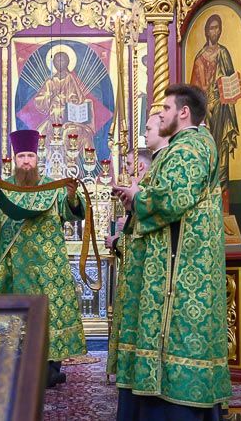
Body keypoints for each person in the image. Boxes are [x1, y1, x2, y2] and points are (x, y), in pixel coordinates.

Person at [113, 84, 230, 419]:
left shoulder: (188, 148)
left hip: (179, 269)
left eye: (165, 108)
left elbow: (172, 198)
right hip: (180, 258)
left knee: (176, 341)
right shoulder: (188, 145)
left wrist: (138, 196)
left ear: (184, 112)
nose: (160, 114)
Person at [0, 129, 86, 388]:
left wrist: (71, 196)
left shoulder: (53, 189)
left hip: (47, 269)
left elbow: (73, 214)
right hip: (13, 269)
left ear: (38, 158)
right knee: (16, 317)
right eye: (22, 156)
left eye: (30, 156)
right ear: (15, 159)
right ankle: (13, 365)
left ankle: (50, 368)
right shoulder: (2, 189)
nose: (26, 161)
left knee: (49, 316)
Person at [105, 114, 169, 379]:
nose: (129, 168)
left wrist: (118, 238)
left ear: (140, 167)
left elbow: (146, 225)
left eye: (130, 165)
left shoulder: (153, 180)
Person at [190, 14, 240, 216]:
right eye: (211, 28)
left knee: (222, 154)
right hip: (206, 114)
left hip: (222, 111)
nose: (215, 32)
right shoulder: (200, 57)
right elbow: (194, 92)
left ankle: (224, 211)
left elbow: (231, 80)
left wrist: (223, 91)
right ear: (206, 31)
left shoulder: (224, 53)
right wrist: (206, 104)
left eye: (218, 28)